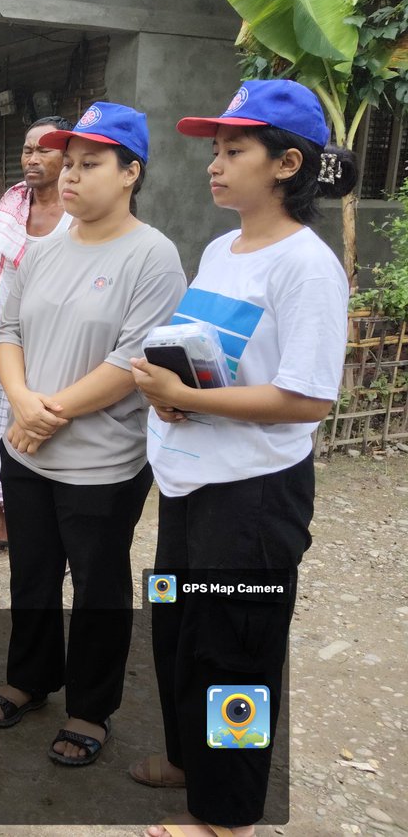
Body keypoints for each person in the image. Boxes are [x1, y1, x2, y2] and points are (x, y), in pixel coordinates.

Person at [131, 80, 353, 837]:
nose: (214, 165)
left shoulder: (306, 266)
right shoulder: (223, 247)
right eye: (214, 151)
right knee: (178, 632)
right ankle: (195, 761)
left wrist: (188, 398)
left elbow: (308, 398)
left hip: (253, 497)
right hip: (191, 483)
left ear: (288, 163)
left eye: (234, 151)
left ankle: (227, 816)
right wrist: (171, 395)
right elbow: (214, 360)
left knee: (237, 652)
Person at [0, 102, 186, 767]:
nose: (69, 176)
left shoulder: (153, 256)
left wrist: (47, 412)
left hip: (103, 460)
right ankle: (31, 678)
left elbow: (133, 362)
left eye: (89, 164)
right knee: (33, 574)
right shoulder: (40, 250)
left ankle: (91, 708)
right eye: (67, 163)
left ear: (130, 172)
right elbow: (5, 333)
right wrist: (20, 404)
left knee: (98, 584)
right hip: (28, 449)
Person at [0, 116, 74, 559]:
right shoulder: (11, 209)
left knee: (54, 431)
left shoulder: (77, 213)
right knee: (4, 432)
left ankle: (58, 537)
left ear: (67, 157)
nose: (32, 158)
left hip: (60, 339)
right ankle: (6, 524)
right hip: (10, 341)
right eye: (28, 149)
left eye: (44, 150)